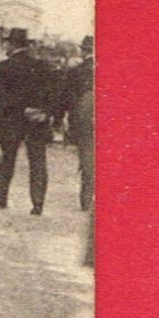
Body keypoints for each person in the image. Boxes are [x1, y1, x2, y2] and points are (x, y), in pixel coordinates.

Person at [0, 28, 57, 215]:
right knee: (38, 161)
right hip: (36, 119)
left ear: (11, 45)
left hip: (11, 121)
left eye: (7, 43)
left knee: (7, 158)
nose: (4, 46)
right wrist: (45, 112)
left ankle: (1, 197)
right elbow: (53, 93)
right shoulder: (43, 67)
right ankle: (38, 204)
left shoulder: (2, 68)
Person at [62, 35, 95, 215]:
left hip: (84, 121)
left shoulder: (76, 71)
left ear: (84, 51)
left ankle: (86, 198)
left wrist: (67, 119)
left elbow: (67, 98)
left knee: (87, 157)